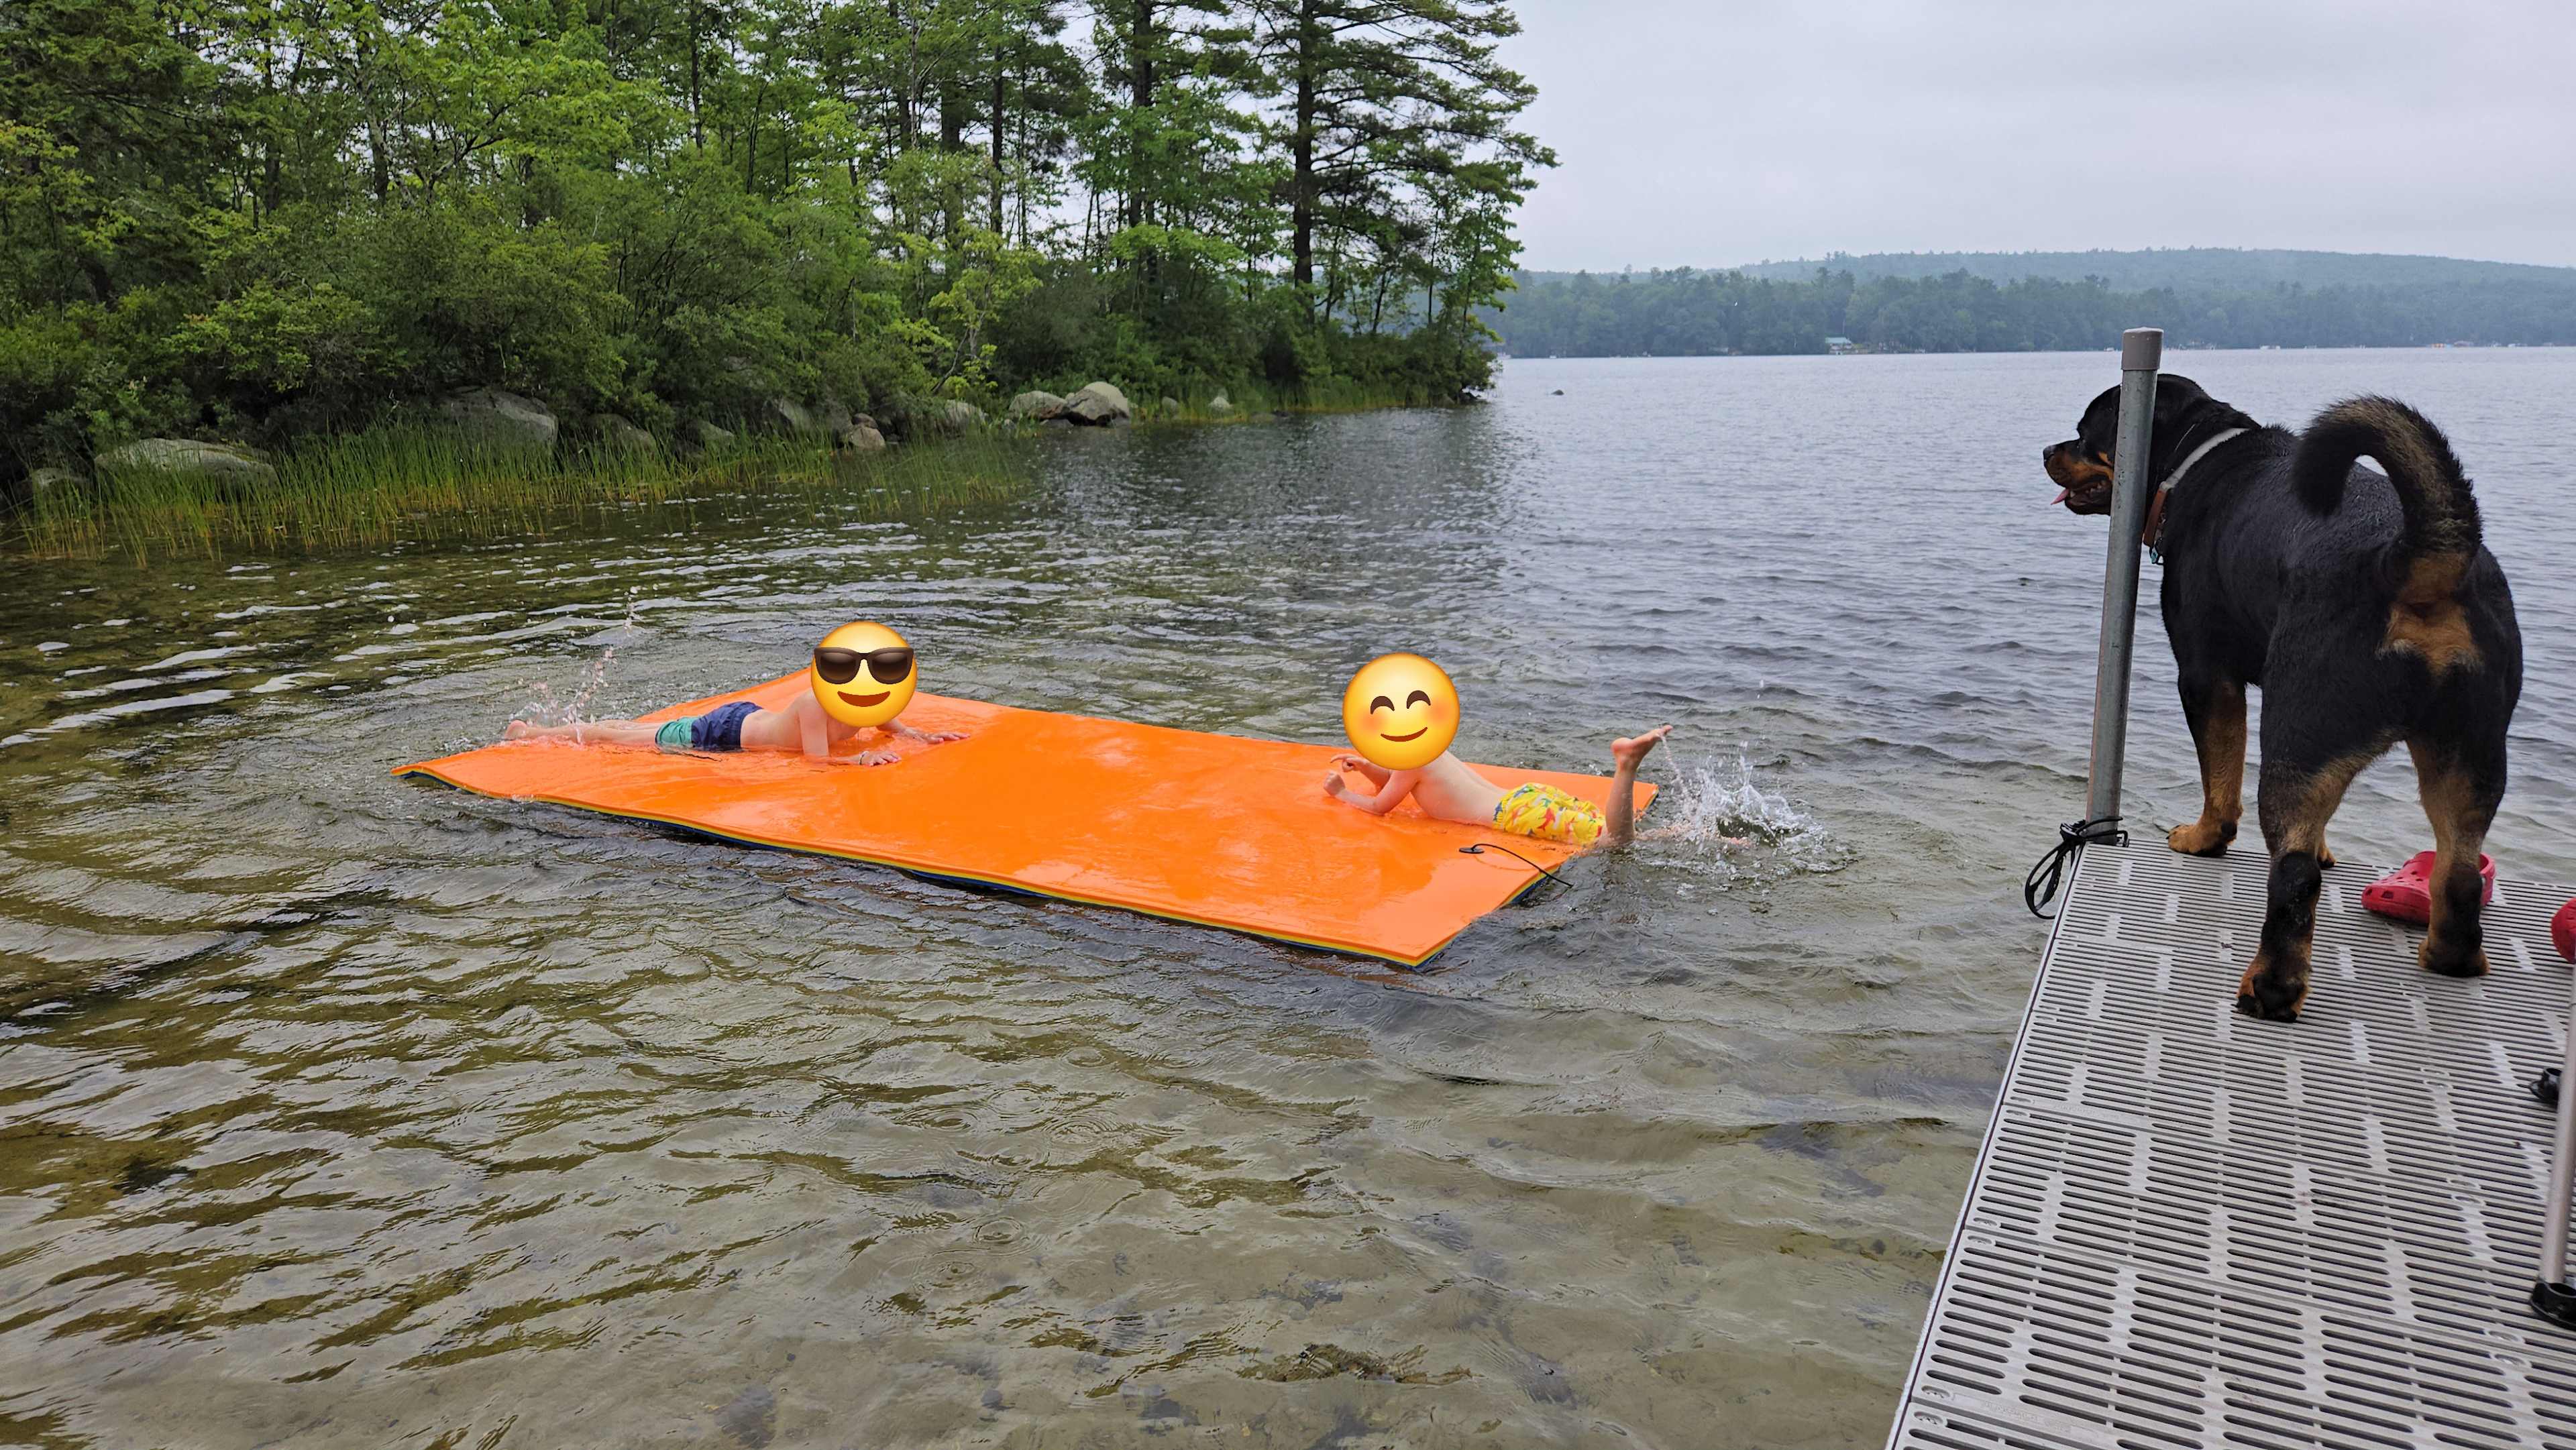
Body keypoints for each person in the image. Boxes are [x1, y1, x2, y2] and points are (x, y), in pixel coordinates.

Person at [504, 630, 964, 765]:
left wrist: (924, 736)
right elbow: (818, 762)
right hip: (723, 733)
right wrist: (859, 761)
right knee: (625, 739)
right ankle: (534, 733)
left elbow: (888, 725)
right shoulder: (814, 704)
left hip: (749, 719)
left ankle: (545, 728)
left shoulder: (864, 704)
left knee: (634, 733)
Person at [1324, 725, 1672, 848]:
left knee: (1613, 842)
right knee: (1610, 829)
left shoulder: (1409, 764)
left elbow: (1380, 806)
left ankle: (1627, 763)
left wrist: (1342, 794)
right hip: (1529, 796)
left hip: (1516, 813)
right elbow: (1399, 785)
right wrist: (1369, 769)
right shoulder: (1427, 751)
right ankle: (1693, 836)